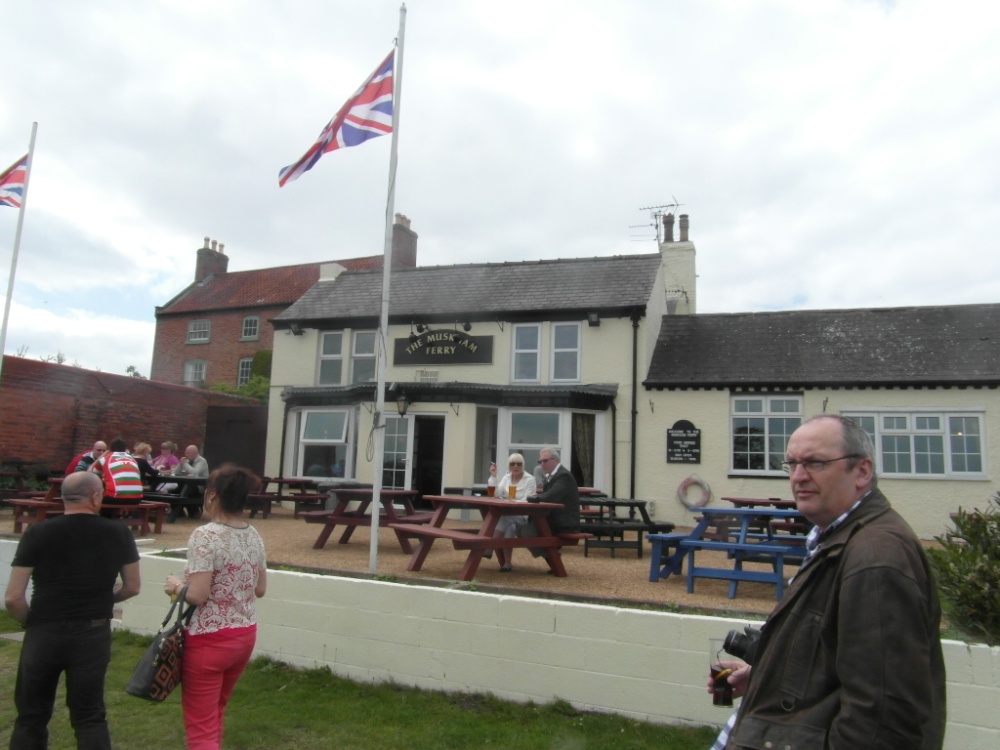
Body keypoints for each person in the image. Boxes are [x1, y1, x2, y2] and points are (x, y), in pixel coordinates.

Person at [708, 415, 945, 749]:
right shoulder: (835, 539)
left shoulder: (876, 558)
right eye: (792, 464)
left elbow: (883, 720)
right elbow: (831, 655)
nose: (798, 477)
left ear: (862, 471)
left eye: (815, 463)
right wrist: (765, 677)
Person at [4, 471, 141, 749]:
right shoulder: (118, 532)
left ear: (64, 498)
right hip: (92, 632)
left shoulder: (38, 532)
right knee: (89, 715)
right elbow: (132, 587)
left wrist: (31, 623)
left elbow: (13, 598)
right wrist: (102, 599)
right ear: (95, 497)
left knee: (31, 716)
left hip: (44, 630)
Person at [164, 465, 267, 750]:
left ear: (212, 495)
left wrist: (175, 586)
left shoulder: (205, 536)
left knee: (200, 726)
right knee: (216, 712)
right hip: (244, 635)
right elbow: (260, 589)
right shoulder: (253, 535)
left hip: (209, 639)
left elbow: (198, 595)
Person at [517, 447, 581, 559]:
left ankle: (552, 557)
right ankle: (552, 556)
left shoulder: (563, 476)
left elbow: (550, 496)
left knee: (525, 530)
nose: (542, 464)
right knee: (520, 528)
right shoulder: (551, 476)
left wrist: (534, 498)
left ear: (555, 460)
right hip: (553, 520)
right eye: (540, 461)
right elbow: (548, 496)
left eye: (545, 461)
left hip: (564, 523)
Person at [485, 453, 536, 572]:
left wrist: (513, 503)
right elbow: (496, 494)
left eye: (519, 464)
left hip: (523, 515)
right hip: (509, 514)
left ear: (523, 465)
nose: (516, 466)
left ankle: (489, 547)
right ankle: (507, 564)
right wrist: (493, 477)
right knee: (510, 527)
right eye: (513, 464)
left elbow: (528, 500)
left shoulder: (529, 479)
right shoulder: (507, 477)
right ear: (509, 466)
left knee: (504, 517)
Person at [90, 437, 144, 505]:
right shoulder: (132, 459)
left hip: (115, 497)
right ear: (125, 449)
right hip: (137, 498)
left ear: (110, 449)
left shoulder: (106, 458)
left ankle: (104, 515)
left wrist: (103, 455)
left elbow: (91, 472)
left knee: (95, 499)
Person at [173, 444, 210, 519]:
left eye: (188, 453)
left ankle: (194, 511)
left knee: (187, 491)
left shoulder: (202, 461)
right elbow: (176, 473)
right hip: (186, 483)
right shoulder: (188, 461)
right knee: (174, 491)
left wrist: (185, 464)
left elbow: (195, 473)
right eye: (186, 453)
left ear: (195, 453)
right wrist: (180, 464)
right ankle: (178, 511)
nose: (186, 455)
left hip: (198, 486)